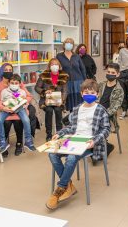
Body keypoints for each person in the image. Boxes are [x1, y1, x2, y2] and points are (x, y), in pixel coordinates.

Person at [46, 79, 110, 210]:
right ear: (81, 93)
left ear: (97, 94)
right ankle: (67, 185)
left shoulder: (101, 110)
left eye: (92, 92)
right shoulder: (76, 109)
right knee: (52, 154)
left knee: (71, 158)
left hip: (89, 142)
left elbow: (106, 129)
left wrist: (95, 141)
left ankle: (60, 189)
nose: (89, 94)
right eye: (86, 92)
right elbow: (71, 127)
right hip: (73, 139)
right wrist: (60, 133)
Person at [0, 63, 36, 156]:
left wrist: (23, 101)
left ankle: (20, 143)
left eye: (10, 70)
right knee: (4, 122)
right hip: (5, 109)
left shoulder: (19, 85)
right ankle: (2, 143)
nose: (8, 72)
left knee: (20, 121)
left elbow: (28, 96)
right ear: (1, 71)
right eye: (6, 70)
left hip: (19, 109)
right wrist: (4, 108)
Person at [35, 58, 69, 141]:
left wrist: (62, 100)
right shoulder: (43, 75)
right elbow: (37, 87)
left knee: (58, 110)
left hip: (59, 101)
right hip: (46, 101)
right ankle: (49, 134)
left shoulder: (63, 76)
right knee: (49, 110)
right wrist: (44, 91)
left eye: (56, 64)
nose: (54, 66)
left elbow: (65, 91)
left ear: (59, 66)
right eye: (52, 64)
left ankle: (59, 133)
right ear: (49, 66)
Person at [98, 63, 124, 157]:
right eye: (108, 72)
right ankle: (100, 145)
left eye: (112, 72)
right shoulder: (101, 85)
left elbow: (115, 107)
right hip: (96, 112)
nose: (110, 74)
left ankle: (106, 146)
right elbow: (94, 98)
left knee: (96, 123)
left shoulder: (119, 90)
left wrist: (103, 114)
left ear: (117, 74)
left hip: (108, 116)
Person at [57, 38, 86, 111]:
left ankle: (78, 119)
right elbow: (58, 69)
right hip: (66, 82)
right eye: (67, 43)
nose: (68, 44)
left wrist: (84, 81)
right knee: (70, 104)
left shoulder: (76, 56)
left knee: (78, 103)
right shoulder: (59, 56)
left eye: (70, 43)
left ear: (73, 46)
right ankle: (71, 119)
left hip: (78, 82)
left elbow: (82, 69)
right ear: (64, 45)